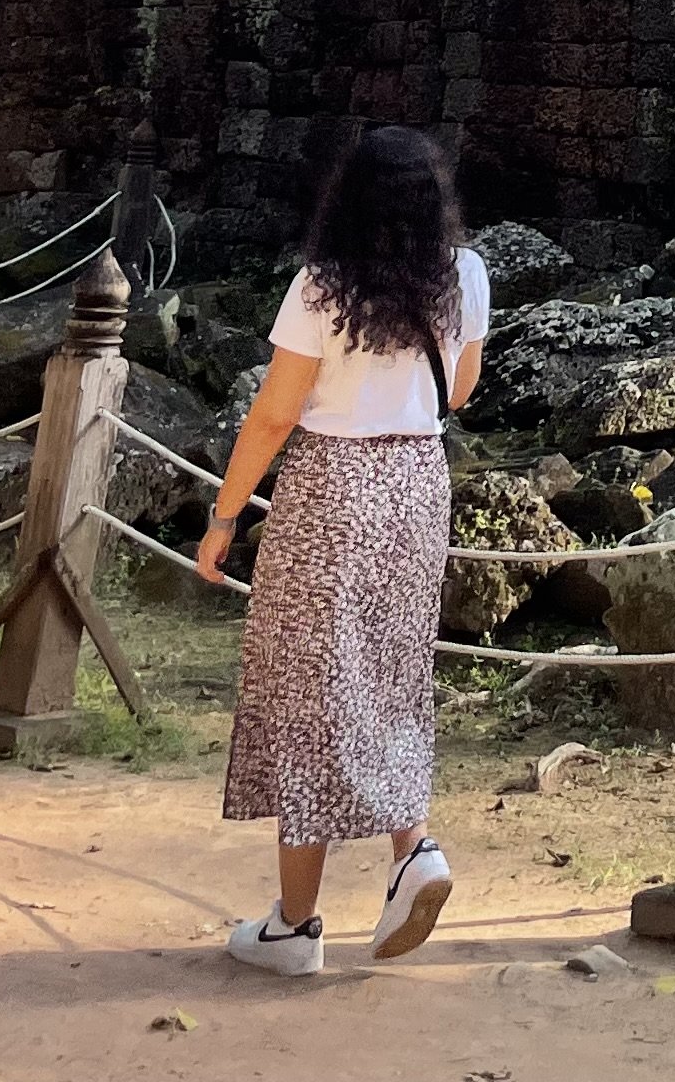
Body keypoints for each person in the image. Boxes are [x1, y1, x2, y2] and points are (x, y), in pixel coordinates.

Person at [197, 124, 491, 977]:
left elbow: (276, 414)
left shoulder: (322, 288)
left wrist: (224, 517)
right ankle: (414, 849)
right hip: (417, 484)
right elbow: (460, 391)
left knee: (310, 686)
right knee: (390, 672)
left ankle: (296, 925)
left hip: (333, 488)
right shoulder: (466, 278)